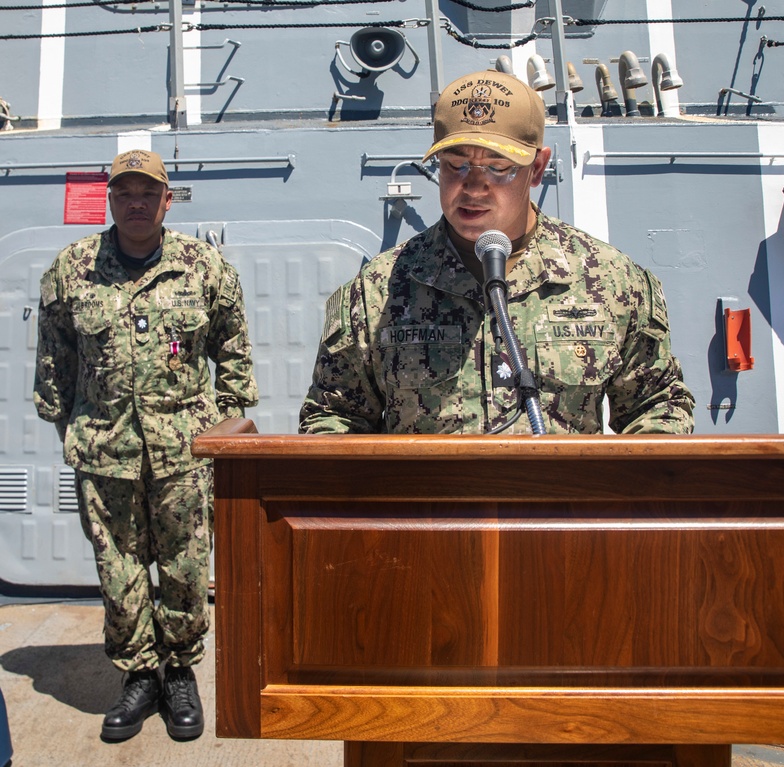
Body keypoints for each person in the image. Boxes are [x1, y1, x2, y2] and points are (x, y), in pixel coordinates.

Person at [299, 70, 694, 435]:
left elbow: (658, 404)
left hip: (557, 505)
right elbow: (334, 418)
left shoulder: (609, 281)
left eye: (498, 167)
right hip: (429, 509)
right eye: (455, 166)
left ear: (538, 168)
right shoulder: (377, 291)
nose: (473, 187)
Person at [33, 150, 258, 741]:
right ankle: (138, 674)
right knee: (120, 570)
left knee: (186, 567)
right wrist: (72, 428)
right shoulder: (72, 270)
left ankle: (179, 671)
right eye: (124, 192)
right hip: (104, 453)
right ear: (110, 200)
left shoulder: (204, 267)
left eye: (147, 192)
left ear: (166, 199)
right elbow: (54, 360)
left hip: (185, 455)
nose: (136, 202)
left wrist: (228, 431)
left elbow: (232, 353)